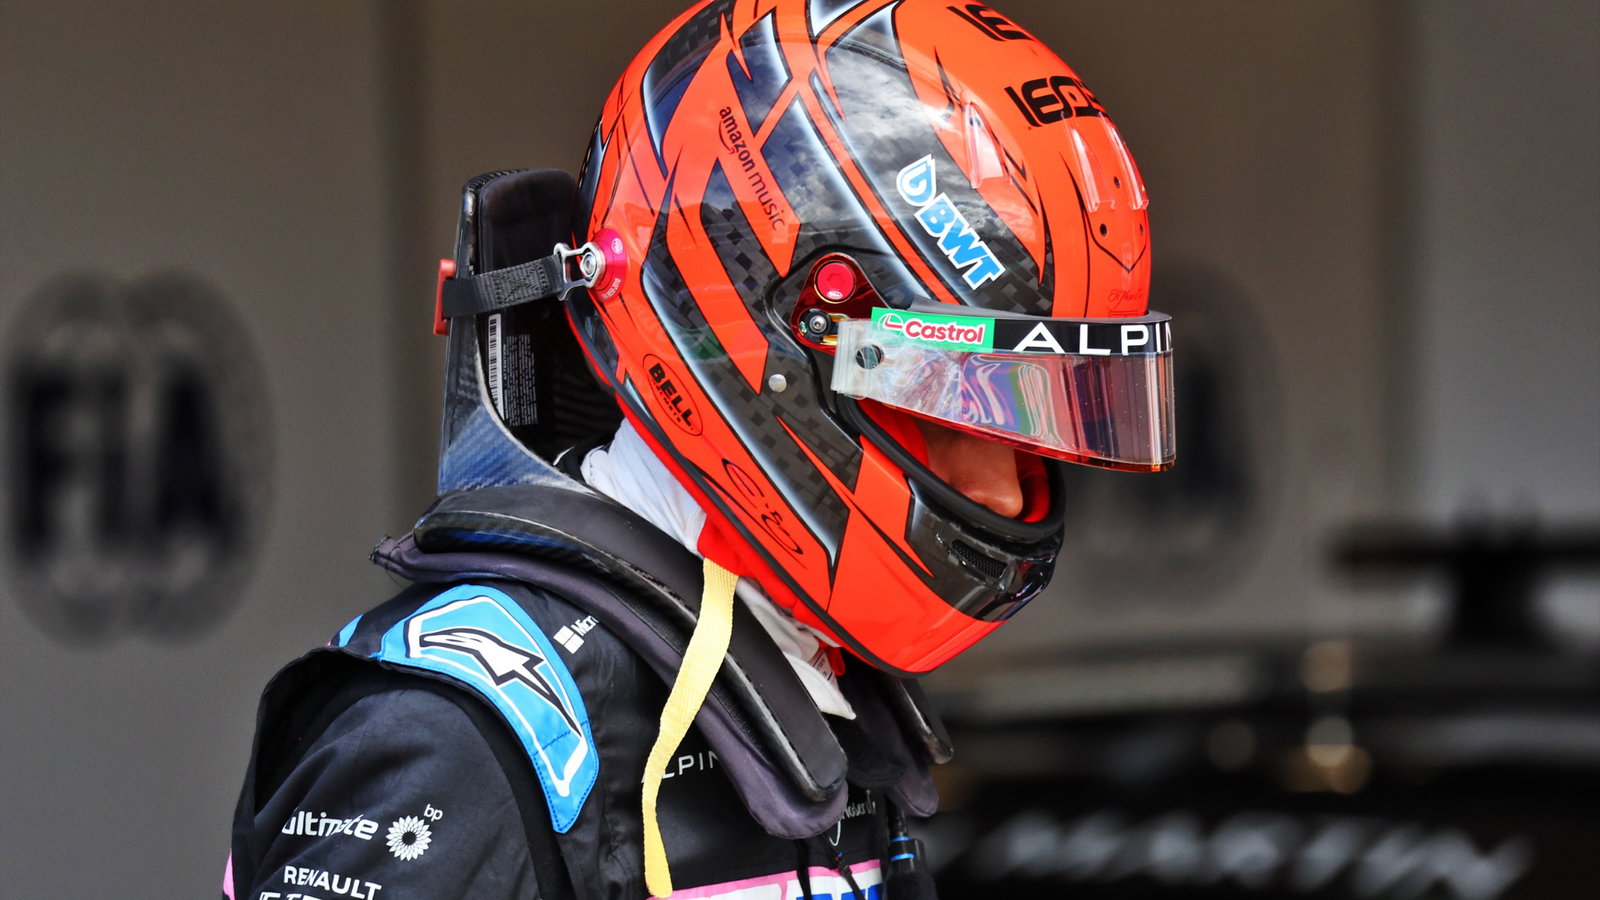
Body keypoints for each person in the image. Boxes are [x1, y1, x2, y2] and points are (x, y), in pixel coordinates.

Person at [225, 1, 1174, 897]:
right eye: (960, 405)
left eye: (1031, 425)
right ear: (777, 343)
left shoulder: (789, 683)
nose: (1008, 491)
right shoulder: (465, 740)